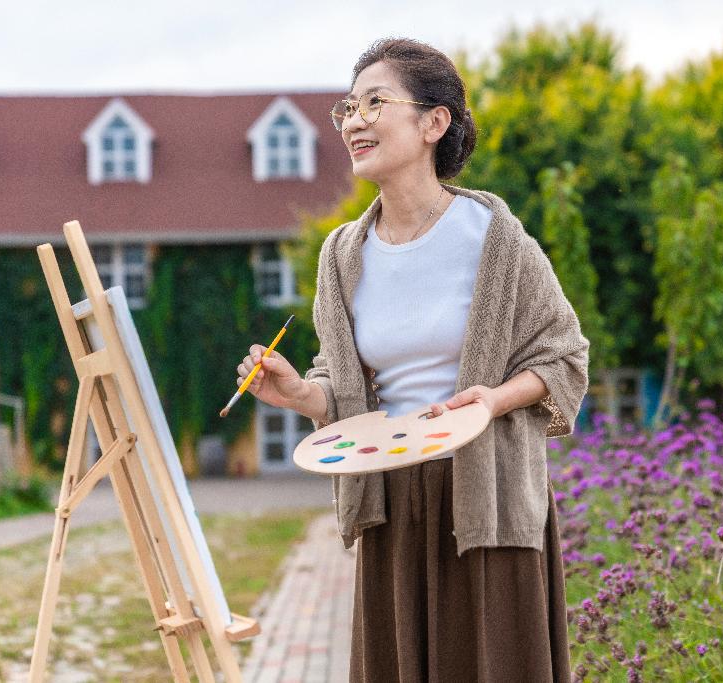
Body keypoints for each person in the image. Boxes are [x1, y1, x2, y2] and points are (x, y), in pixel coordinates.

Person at [236, 37, 589, 682]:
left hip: (486, 497)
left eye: (376, 102)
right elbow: (345, 390)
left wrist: (494, 399)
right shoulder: (342, 254)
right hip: (391, 496)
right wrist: (295, 392)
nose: (355, 121)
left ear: (434, 123)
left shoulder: (496, 237)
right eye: (348, 106)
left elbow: (565, 358)